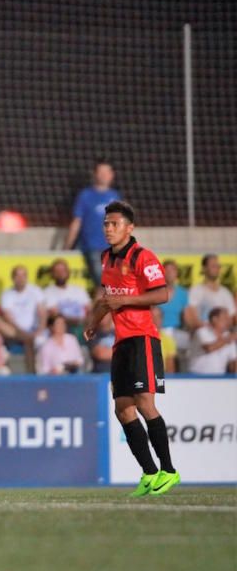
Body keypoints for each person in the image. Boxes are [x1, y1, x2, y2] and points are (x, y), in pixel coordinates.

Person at [84, 200, 178, 496]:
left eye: (114, 224)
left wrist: (124, 301)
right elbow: (108, 297)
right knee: (122, 410)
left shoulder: (142, 256)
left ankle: (169, 471)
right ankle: (150, 474)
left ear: (129, 227)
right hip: (121, 342)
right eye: (106, 224)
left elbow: (163, 293)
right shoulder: (106, 258)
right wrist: (94, 321)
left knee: (144, 403)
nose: (109, 229)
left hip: (142, 338)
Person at [65, 159, 120, 287]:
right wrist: (67, 246)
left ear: (112, 175)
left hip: (112, 248)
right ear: (95, 174)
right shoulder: (85, 195)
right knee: (104, 285)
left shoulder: (115, 196)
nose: (104, 175)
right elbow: (76, 221)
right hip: (92, 247)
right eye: (101, 172)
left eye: (107, 172)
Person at [0, 265, 47, 369]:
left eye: (23, 275)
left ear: (26, 277)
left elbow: (42, 312)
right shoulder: (7, 294)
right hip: (15, 331)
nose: (20, 279)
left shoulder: (35, 291)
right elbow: (8, 318)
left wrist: (40, 329)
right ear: (13, 278)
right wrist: (22, 333)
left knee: (35, 340)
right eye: (17, 276)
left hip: (34, 330)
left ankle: (33, 374)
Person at [42, 258, 91, 335]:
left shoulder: (79, 290)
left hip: (83, 326)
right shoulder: (48, 292)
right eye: (57, 271)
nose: (60, 273)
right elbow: (54, 315)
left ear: (68, 272)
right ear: (52, 274)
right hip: (63, 328)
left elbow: (89, 309)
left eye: (63, 271)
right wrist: (77, 321)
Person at [187, 254, 236, 328]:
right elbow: (192, 315)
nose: (216, 269)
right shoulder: (195, 291)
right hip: (203, 332)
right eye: (213, 266)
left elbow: (232, 316)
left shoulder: (225, 292)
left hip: (224, 332)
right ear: (204, 268)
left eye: (218, 266)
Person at [187, 308, 235, 375]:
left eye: (229, 319)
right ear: (214, 319)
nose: (228, 321)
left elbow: (233, 361)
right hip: (197, 377)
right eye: (225, 318)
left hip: (219, 378)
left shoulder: (228, 335)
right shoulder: (202, 332)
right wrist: (228, 339)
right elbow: (209, 348)